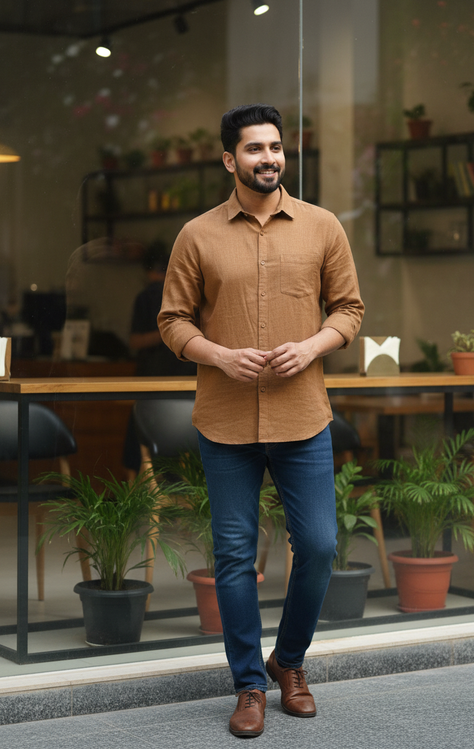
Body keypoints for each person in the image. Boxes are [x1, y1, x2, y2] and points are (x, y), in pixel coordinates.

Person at [158, 104, 364, 738]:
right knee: (234, 557)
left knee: (322, 547)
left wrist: (313, 346)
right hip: (224, 423)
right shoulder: (197, 235)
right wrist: (217, 354)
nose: (269, 158)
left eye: (276, 147)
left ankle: (289, 662)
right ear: (230, 160)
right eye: (255, 149)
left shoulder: (323, 227)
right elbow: (172, 321)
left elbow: (350, 310)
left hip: (304, 418)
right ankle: (249, 684)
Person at [123, 241, 196, 472]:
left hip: (152, 380)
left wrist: (170, 331)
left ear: (147, 271)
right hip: (187, 378)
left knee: (142, 436)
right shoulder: (191, 295)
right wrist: (176, 333)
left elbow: (135, 341)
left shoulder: (146, 296)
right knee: (183, 436)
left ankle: (138, 492)